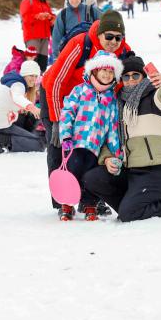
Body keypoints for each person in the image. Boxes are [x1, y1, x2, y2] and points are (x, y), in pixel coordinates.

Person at [40, 11, 132, 212]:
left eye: (118, 37)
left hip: (96, 104)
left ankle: (88, 199)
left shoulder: (124, 52)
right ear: (99, 34)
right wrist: (56, 120)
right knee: (59, 148)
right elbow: (56, 82)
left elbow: (138, 70)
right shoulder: (81, 44)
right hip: (58, 96)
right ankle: (63, 200)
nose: (113, 41)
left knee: (94, 149)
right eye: (108, 36)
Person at [84, 53, 161, 221]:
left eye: (136, 75)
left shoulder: (154, 97)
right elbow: (108, 139)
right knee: (92, 178)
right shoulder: (117, 105)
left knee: (128, 214)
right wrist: (107, 158)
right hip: (131, 170)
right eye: (126, 76)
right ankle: (132, 206)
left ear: (143, 76)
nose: (131, 79)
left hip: (156, 170)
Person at [56, 51, 124, 221]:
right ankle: (66, 204)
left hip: (95, 148)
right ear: (94, 71)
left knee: (89, 175)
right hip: (75, 145)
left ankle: (89, 205)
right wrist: (65, 137)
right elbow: (67, 113)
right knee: (72, 172)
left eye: (111, 72)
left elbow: (112, 129)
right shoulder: (80, 90)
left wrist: (117, 153)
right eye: (104, 70)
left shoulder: (112, 100)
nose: (107, 75)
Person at [0, 60, 43, 153]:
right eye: (31, 75)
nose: (34, 79)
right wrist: (32, 107)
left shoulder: (16, 82)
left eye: (35, 76)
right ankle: (3, 140)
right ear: (24, 75)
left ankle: (11, 138)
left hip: (0, 122)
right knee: (39, 145)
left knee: (30, 117)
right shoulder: (18, 85)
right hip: (1, 125)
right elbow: (17, 97)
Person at [51, 0, 99, 64]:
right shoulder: (63, 15)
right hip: (71, 55)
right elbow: (56, 38)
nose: (74, 0)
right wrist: (56, 57)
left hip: (92, 54)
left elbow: (105, 22)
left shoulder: (91, 11)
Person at [19, 0, 55, 73]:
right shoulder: (27, 1)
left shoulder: (44, 2)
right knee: (32, 61)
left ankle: (41, 81)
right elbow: (25, 17)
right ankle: (30, 83)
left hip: (45, 36)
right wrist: (37, 16)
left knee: (43, 61)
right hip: (32, 36)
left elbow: (51, 15)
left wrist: (51, 17)